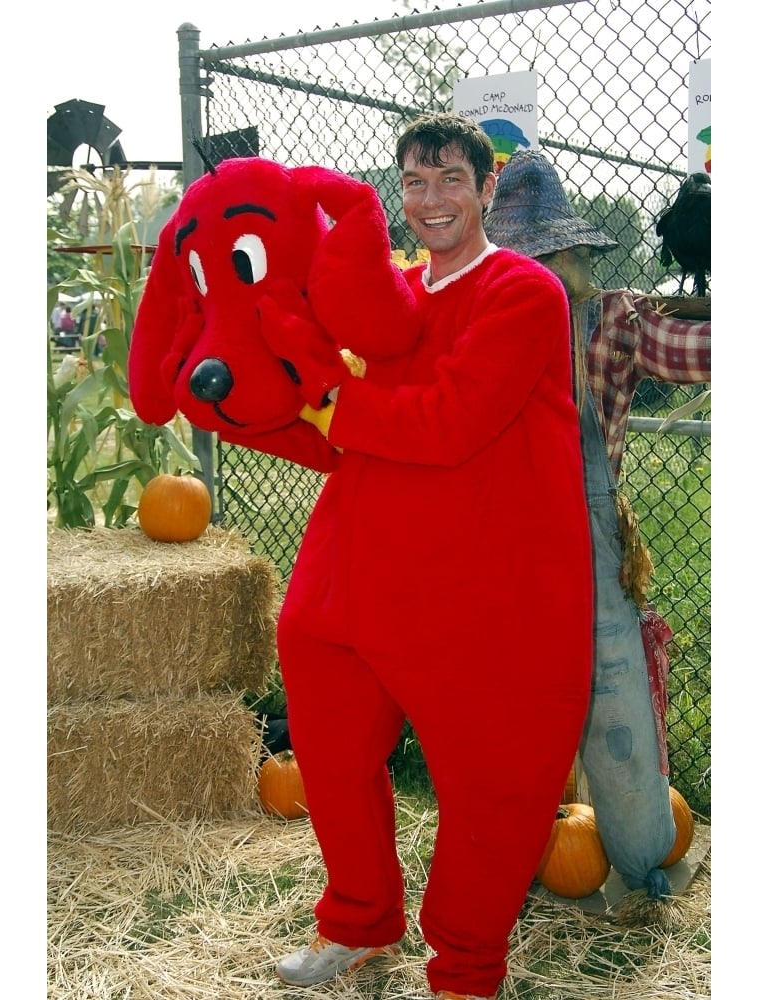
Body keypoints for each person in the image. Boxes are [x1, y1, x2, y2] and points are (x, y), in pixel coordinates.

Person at [266, 114, 594, 1000]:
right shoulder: (394, 292)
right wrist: (267, 406)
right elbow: (342, 436)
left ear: (489, 189)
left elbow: (449, 422)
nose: (431, 198)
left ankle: (464, 968)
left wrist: (332, 401)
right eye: (414, 182)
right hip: (358, 558)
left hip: (478, 577)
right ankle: (359, 921)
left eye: (451, 178)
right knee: (329, 747)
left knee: (491, 781)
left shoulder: (525, 293)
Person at [483, 148, 712, 902]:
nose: (536, 272)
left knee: (613, 691)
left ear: (573, 255)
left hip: (587, 540)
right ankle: (508, 854)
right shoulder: (472, 319)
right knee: (507, 700)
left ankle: (642, 854)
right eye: (520, 257)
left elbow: (701, 350)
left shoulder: (613, 319)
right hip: (498, 542)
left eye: (548, 255)